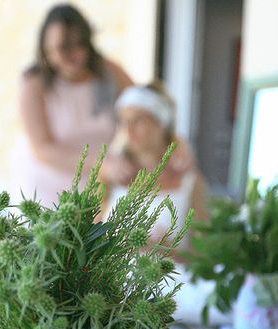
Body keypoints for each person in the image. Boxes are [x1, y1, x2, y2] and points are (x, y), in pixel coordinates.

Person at [12, 3, 133, 206]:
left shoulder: (109, 73)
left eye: (79, 45)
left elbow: (146, 107)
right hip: (45, 189)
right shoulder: (34, 83)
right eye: (63, 48)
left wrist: (174, 145)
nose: (73, 55)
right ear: (46, 49)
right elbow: (42, 148)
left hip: (97, 188)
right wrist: (100, 163)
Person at [102, 83, 208, 248]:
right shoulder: (109, 174)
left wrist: (163, 250)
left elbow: (202, 254)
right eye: (123, 122)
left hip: (169, 272)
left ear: (161, 123)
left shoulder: (191, 182)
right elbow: (88, 243)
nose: (128, 130)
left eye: (137, 120)